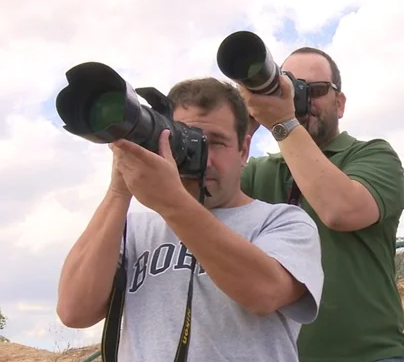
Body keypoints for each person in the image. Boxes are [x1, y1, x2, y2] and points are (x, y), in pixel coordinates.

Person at [56, 78, 324, 362]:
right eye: (187, 141)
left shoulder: (284, 222)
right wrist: (119, 190)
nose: (203, 160)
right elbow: (74, 311)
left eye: (216, 143)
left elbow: (264, 293)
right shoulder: (133, 229)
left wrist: (172, 202)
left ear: (244, 149)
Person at [238, 47, 404, 362]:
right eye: (288, 89)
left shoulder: (372, 156)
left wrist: (282, 122)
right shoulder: (257, 173)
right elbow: (200, 202)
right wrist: (242, 127)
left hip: (369, 356)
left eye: (315, 91)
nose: (301, 100)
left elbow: (340, 210)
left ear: (340, 102)